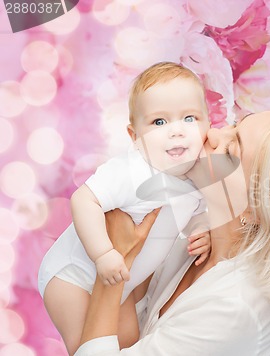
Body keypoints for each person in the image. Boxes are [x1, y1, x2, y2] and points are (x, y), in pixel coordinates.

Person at [74, 109, 270, 355]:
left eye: (231, 150)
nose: (213, 133)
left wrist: (114, 265)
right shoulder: (197, 239)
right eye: (235, 124)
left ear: (256, 210)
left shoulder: (236, 309)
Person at [38, 62, 212, 355]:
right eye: (159, 122)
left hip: (123, 283)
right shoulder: (132, 171)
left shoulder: (197, 174)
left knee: (130, 344)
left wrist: (203, 231)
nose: (177, 131)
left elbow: (196, 212)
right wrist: (103, 253)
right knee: (87, 344)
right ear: (135, 136)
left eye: (189, 118)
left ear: (207, 123)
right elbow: (84, 200)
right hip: (73, 278)